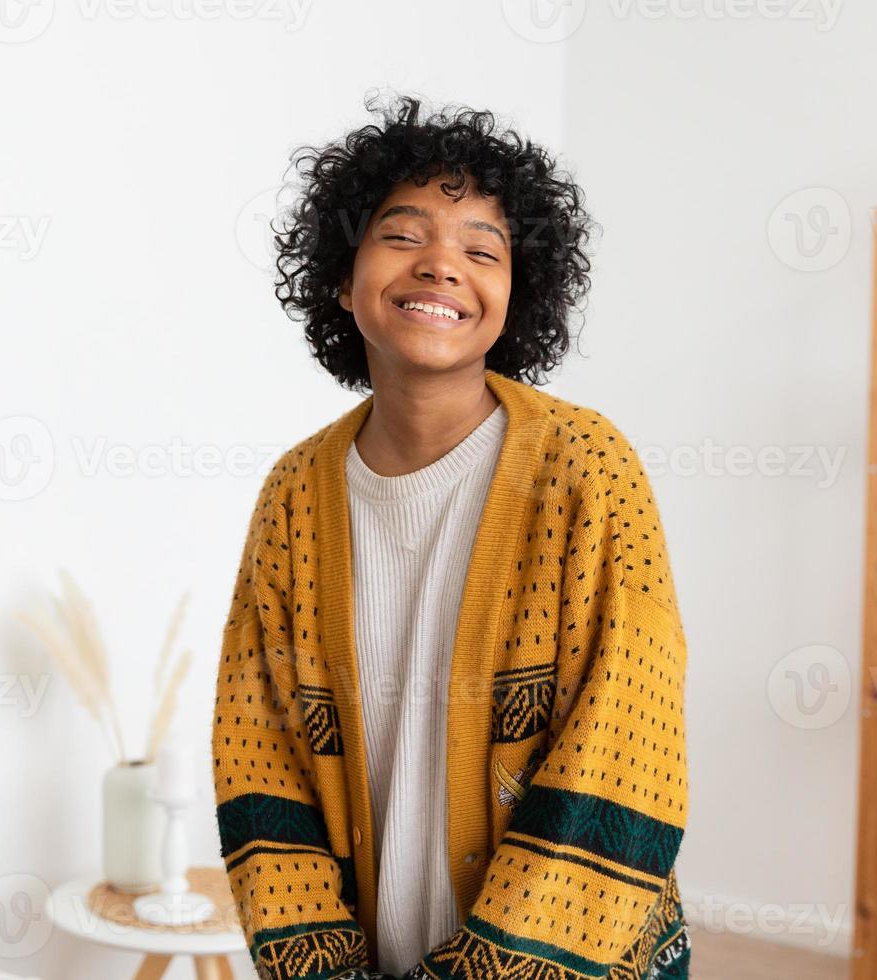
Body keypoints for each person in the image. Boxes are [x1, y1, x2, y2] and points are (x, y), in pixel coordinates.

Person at [212, 92, 690, 980]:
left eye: (482, 248)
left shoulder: (586, 467)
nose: (441, 266)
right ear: (341, 274)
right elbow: (260, 749)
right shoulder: (292, 494)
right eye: (403, 236)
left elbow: (625, 741)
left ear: (519, 293)